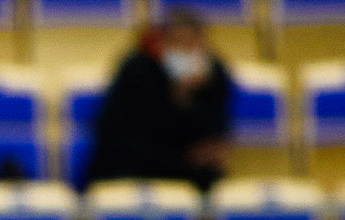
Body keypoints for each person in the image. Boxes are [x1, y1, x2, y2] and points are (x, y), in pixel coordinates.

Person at [83, 8, 233, 192]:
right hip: (131, 167)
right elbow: (115, 135)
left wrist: (186, 100)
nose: (187, 50)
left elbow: (215, 135)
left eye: (194, 43)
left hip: (189, 174)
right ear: (162, 43)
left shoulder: (215, 74)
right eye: (179, 42)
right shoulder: (136, 71)